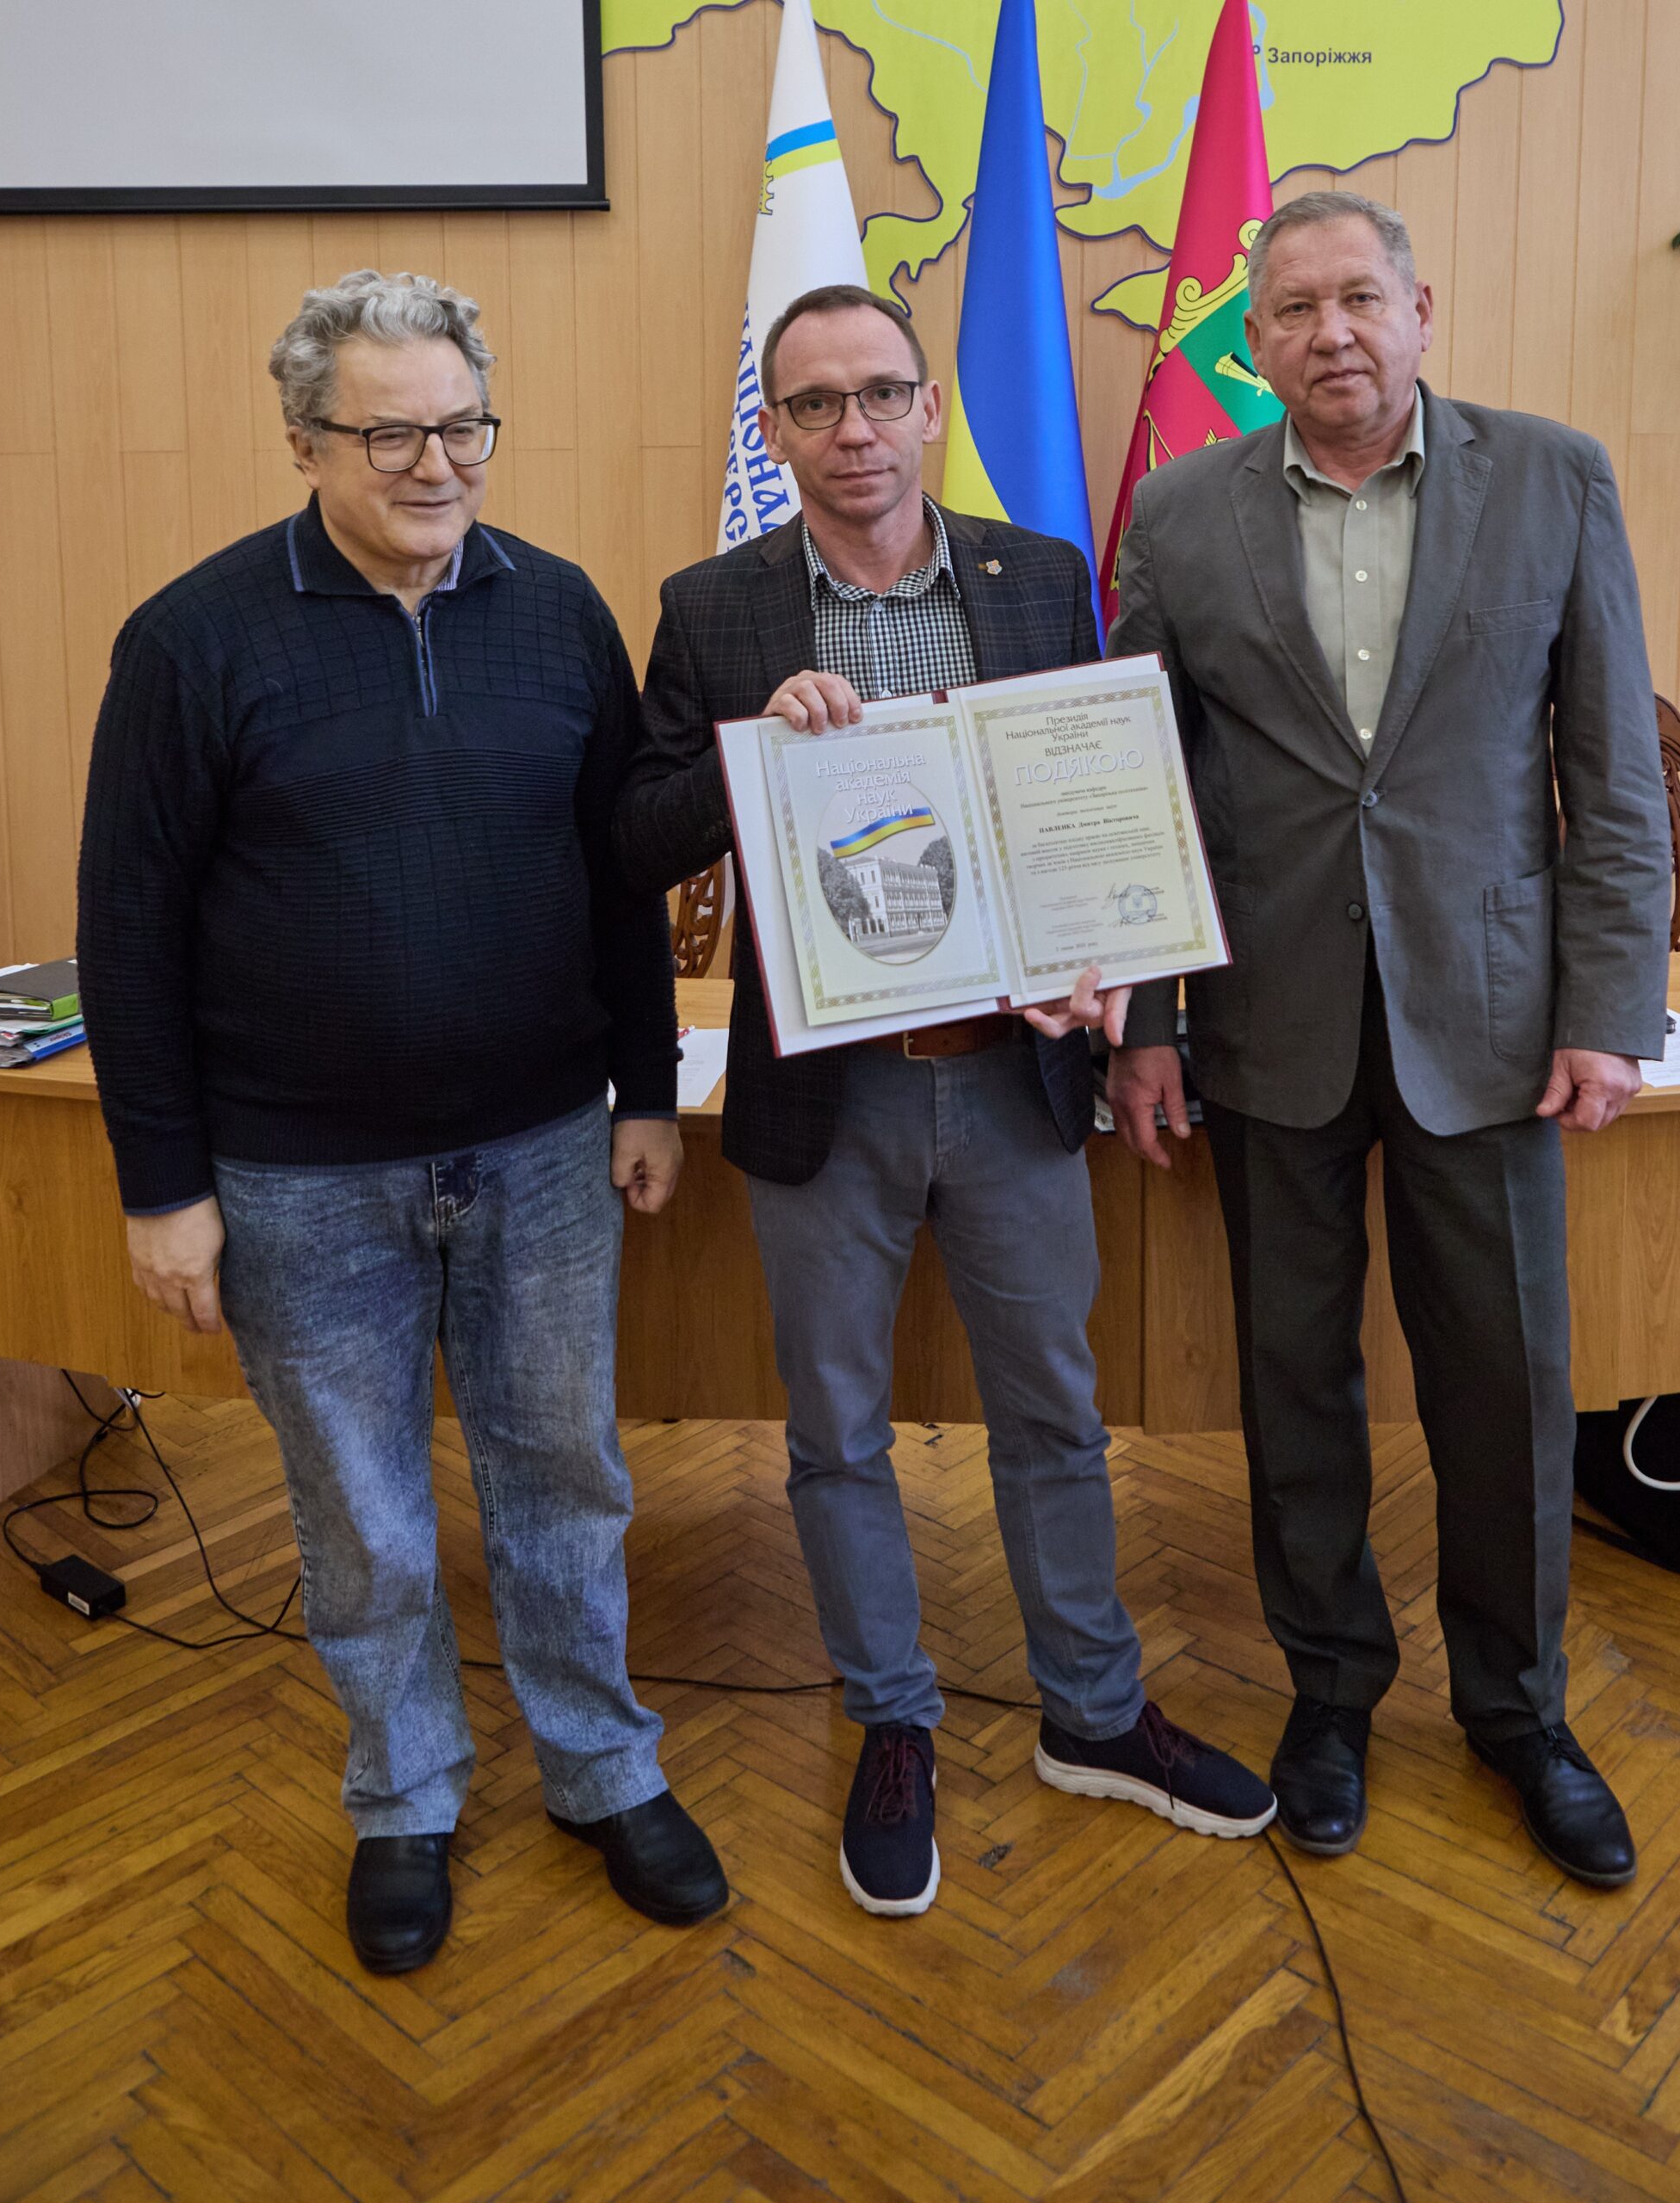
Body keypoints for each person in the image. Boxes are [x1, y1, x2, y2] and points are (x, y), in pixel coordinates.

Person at [77, 269, 726, 1973]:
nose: (437, 465)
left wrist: (646, 1091)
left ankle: (601, 1767)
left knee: (565, 1475)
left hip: (543, 1149)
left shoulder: (559, 610)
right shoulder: (191, 640)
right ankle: (404, 1795)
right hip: (295, 1177)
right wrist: (162, 1184)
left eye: (462, 426)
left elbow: (619, 883)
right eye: (391, 436)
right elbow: (128, 932)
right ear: (303, 441)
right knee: (359, 1512)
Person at [615, 282, 1273, 1920]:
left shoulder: (1039, 577)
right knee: (835, 1433)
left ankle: (1094, 1711)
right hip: (824, 1100)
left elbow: (1105, 803)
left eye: (879, 395)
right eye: (814, 404)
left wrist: (1119, 989)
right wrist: (750, 754)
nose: (853, 429)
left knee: (1056, 1412)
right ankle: (891, 1719)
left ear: (924, 408)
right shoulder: (715, 607)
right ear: (776, 431)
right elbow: (633, 835)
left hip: (1011, 1081)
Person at [1108, 194, 1674, 1888]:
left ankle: (1519, 1711)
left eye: (1359, 297)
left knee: (1505, 1383)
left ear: (1424, 311)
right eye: (1292, 309)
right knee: (1295, 1383)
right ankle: (1331, 1695)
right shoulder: (1178, 513)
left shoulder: (1553, 479)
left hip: (1489, 1023)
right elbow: (1141, 793)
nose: (1330, 332)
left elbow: (1611, 774)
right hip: (1264, 1026)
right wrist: (1146, 1021)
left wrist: (1607, 1008)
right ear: (1252, 343)